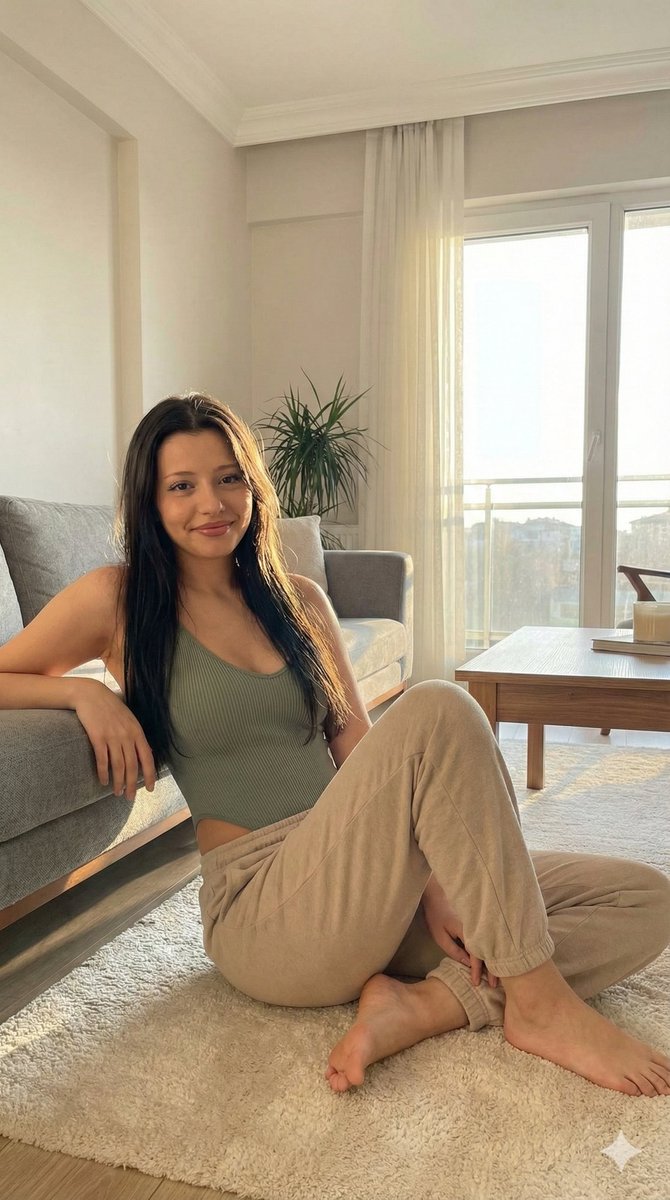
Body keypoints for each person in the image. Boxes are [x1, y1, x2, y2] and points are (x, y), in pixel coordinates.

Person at [2, 392, 669, 1100]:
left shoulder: (301, 601)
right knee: (441, 706)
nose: (211, 503)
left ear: (253, 487)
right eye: (182, 485)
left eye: (229, 478)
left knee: (643, 900)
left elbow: (354, 741)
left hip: (366, 879)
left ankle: (424, 1005)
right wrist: (86, 693)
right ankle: (536, 1004)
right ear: (151, 500)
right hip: (267, 913)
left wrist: (441, 883)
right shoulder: (118, 600)